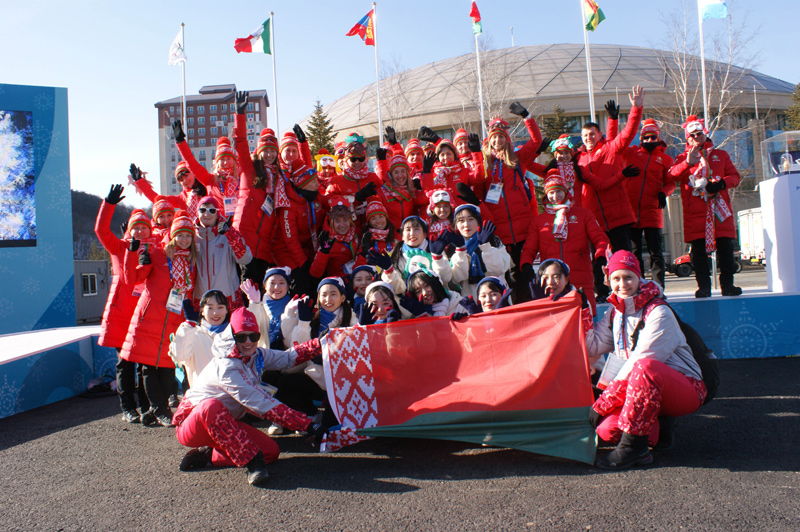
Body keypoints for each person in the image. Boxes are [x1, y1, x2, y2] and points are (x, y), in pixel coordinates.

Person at [172, 307, 326, 487]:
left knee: (271, 452)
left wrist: (320, 343)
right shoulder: (226, 366)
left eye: (253, 336)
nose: (248, 342)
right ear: (232, 336)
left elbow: (287, 358)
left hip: (227, 423)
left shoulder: (255, 354)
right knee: (211, 406)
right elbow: (261, 402)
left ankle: (208, 456)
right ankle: (253, 464)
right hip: (192, 426)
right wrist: (307, 424)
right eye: (241, 337)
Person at [584, 251, 707, 470]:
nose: (623, 284)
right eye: (616, 278)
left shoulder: (659, 311)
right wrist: (581, 311)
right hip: (640, 390)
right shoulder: (614, 312)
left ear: (639, 278)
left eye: (628, 277)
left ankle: (635, 450)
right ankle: (658, 431)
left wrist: (603, 403)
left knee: (644, 367)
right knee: (607, 430)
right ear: (608, 280)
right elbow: (592, 347)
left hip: (686, 387)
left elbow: (644, 359)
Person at [121, 211, 198, 427]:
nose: (184, 240)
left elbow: (189, 293)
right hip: (149, 317)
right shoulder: (157, 253)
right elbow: (132, 278)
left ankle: (158, 408)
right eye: (180, 235)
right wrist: (132, 253)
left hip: (174, 319)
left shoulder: (192, 260)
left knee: (167, 367)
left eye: (188, 236)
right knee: (148, 367)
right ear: (173, 236)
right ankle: (159, 409)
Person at [95, 185, 153, 423]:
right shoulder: (118, 247)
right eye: (135, 228)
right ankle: (128, 408)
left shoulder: (153, 249)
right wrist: (108, 204)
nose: (139, 231)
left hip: (144, 314)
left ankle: (148, 406)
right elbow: (100, 230)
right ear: (129, 230)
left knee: (145, 364)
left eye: (143, 228)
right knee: (125, 365)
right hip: (121, 315)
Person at [669, 115, 742, 298]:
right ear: (687, 138)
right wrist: (687, 163)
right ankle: (704, 287)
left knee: (726, 250)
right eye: (691, 135)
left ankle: (727, 285)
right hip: (695, 214)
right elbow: (670, 177)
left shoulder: (721, 155)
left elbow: (735, 177)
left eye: (699, 133)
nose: (696, 137)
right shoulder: (681, 158)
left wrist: (720, 184)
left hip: (720, 212)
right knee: (698, 254)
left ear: (705, 134)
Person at [519, 171, 609, 312]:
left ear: (566, 192)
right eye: (551, 192)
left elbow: (600, 239)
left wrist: (601, 256)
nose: (555, 196)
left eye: (559, 192)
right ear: (546, 195)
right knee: (556, 317)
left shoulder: (583, 215)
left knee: (585, 313)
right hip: (552, 278)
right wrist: (526, 265)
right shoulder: (539, 221)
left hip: (580, 273)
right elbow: (529, 248)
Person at [232, 91, 287, 286]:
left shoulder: (280, 178)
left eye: (273, 151)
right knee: (243, 287)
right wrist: (240, 114)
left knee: (258, 291)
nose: (270, 155)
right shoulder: (249, 169)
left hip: (264, 243)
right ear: (260, 151)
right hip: (243, 238)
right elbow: (240, 142)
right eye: (266, 150)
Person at [620, 119, 675, 288]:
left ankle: (658, 287)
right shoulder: (631, 153)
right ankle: (638, 286)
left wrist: (663, 193)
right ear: (641, 138)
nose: (649, 141)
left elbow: (671, 183)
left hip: (653, 212)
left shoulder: (666, 159)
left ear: (658, 138)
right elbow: (619, 145)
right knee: (634, 253)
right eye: (646, 137)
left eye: (653, 137)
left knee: (655, 252)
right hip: (631, 212)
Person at [272, 159, 325, 297]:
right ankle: (293, 312)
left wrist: (356, 197)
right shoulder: (289, 207)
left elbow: (334, 203)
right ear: (304, 184)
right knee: (302, 279)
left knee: (316, 277)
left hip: (305, 247)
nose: (317, 185)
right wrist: (304, 264)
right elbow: (291, 241)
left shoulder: (314, 198)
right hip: (284, 250)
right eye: (313, 182)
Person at [192, 196, 252, 311]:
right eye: (202, 210)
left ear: (217, 213)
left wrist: (231, 234)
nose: (207, 214)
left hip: (227, 299)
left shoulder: (227, 234)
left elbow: (246, 259)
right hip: (201, 300)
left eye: (212, 210)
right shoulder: (190, 237)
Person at [369, 215, 452, 295]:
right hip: (407, 302)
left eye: (416, 229)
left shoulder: (435, 249)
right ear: (402, 236)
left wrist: (438, 257)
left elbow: (445, 278)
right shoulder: (396, 254)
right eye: (408, 230)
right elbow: (397, 289)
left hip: (437, 298)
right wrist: (389, 271)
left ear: (425, 234)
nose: (412, 233)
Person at [172, 120, 240, 218]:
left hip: (238, 225)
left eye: (229, 158)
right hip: (217, 226)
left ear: (234, 160)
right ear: (217, 163)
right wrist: (181, 143)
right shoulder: (210, 180)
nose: (225, 162)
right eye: (222, 159)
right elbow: (192, 164)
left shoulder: (240, 177)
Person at [169, 289, 230, 387]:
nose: (215, 313)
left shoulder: (233, 335)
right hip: (203, 397)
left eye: (220, 307)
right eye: (210, 308)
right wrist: (189, 324)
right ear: (202, 311)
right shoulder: (193, 334)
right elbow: (180, 356)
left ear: (226, 310)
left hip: (230, 397)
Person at [449, 204, 510, 298]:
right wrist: (460, 250)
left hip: (497, 295)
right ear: (456, 224)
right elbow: (457, 277)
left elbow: (499, 270)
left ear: (478, 221)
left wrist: (485, 246)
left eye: (471, 219)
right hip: (472, 298)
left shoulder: (493, 240)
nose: (466, 224)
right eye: (461, 220)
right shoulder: (454, 245)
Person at [129, 162, 208, 222]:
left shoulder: (208, 188)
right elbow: (158, 200)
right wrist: (140, 182)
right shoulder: (181, 198)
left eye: (186, 176)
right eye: (181, 180)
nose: (185, 180)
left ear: (192, 173)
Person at [241, 267, 293, 350]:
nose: (276, 287)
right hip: (266, 356)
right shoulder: (259, 307)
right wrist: (254, 304)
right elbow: (252, 328)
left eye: (281, 283)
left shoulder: (294, 306)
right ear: (265, 286)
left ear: (288, 286)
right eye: (272, 283)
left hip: (290, 355)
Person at [310, 196, 361, 279]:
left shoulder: (357, 233)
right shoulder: (326, 241)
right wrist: (323, 252)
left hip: (359, 278)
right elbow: (315, 273)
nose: (342, 225)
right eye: (337, 221)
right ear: (331, 222)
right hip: (338, 283)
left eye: (345, 220)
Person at [400, 266, 464, 318]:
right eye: (418, 291)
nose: (424, 292)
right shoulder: (418, 315)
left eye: (427, 285)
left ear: (435, 283)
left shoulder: (458, 303)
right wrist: (421, 316)